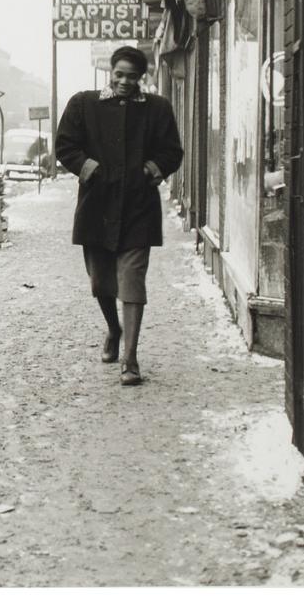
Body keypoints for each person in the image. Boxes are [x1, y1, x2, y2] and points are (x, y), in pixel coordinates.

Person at [55, 45, 183, 386]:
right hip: (97, 205)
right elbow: (65, 145)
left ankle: (131, 358)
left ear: (142, 78)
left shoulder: (157, 108)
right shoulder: (84, 103)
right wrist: (89, 167)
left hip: (139, 207)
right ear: (110, 72)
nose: (125, 81)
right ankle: (113, 329)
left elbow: (173, 150)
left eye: (133, 76)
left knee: (132, 282)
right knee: (101, 283)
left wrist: (151, 169)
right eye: (120, 74)